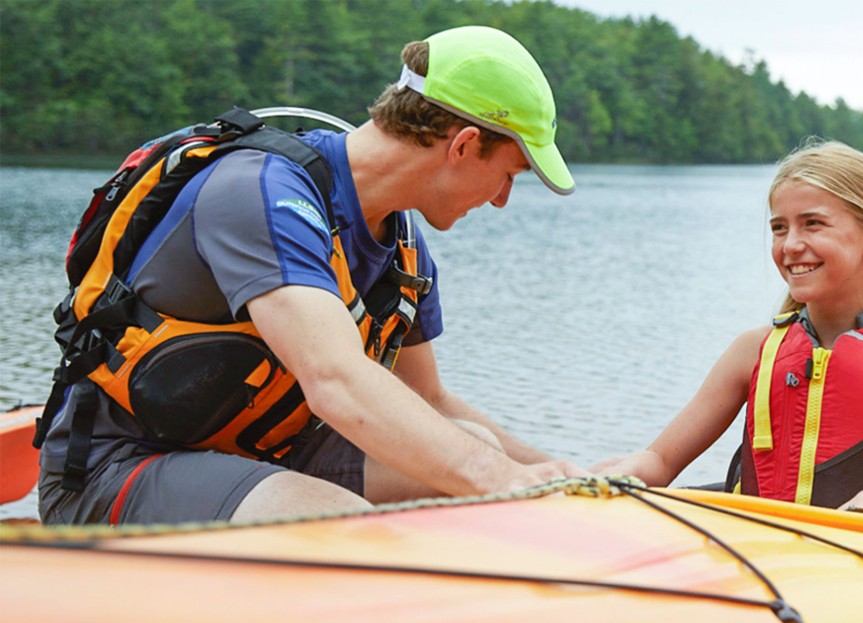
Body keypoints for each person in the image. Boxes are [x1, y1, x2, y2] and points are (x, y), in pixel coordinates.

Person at [35, 25, 588, 525]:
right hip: (117, 468)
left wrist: (567, 475)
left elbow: (429, 402)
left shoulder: (402, 244)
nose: (501, 201)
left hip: (260, 458)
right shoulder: (260, 191)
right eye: (508, 175)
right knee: (336, 517)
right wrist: (498, 478)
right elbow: (335, 382)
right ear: (465, 146)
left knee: (471, 442)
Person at [594, 140, 863, 547]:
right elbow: (662, 460)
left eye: (812, 223)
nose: (790, 245)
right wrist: (622, 472)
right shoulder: (753, 349)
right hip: (770, 563)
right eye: (779, 227)